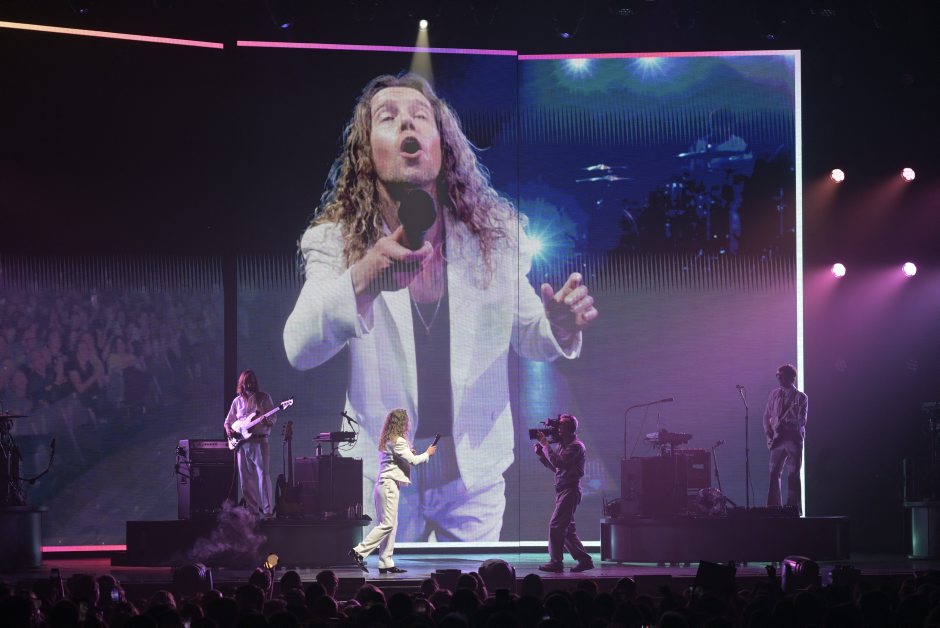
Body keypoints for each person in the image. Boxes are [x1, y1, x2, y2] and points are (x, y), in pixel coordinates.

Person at [283, 72, 598, 541]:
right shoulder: (335, 240)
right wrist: (365, 277)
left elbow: (532, 335)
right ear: (367, 152)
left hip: (473, 474)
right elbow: (299, 347)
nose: (407, 125)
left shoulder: (494, 236)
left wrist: (560, 326)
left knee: (479, 588)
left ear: (443, 146)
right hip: (382, 473)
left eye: (420, 117)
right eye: (388, 118)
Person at [349, 408, 436, 573]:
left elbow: (398, 459)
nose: (408, 425)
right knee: (387, 524)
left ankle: (386, 562)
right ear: (402, 423)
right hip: (388, 486)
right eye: (407, 422)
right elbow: (414, 461)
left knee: (391, 524)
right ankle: (358, 551)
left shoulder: (389, 440)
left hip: (385, 485)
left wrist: (409, 453)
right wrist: (428, 453)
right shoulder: (399, 441)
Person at [534, 414, 594, 573]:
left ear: (569, 428)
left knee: (556, 526)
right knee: (567, 531)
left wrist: (545, 445)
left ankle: (556, 562)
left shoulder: (575, 446)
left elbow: (559, 462)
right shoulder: (563, 445)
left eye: (561, 426)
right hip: (563, 491)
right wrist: (542, 455)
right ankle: (585, 560)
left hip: (570, 490)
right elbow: (557, 468)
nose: (557, 429)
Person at [224, 369, 276, 518]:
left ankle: (268, 512)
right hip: (242, 444)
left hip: (259, 441)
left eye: (252, 381)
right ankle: (253, 512)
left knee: (263, 476)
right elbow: (227, 422)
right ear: (242, 383)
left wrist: (267, 421)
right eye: (247, 381)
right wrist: (229, 431)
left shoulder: (263, 398)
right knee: (246, 480)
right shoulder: (237, 401)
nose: (250, 384)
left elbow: (273, 418)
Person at [763, 363, 808, 514]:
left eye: (781, 376)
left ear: (791, 377)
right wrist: (768, 432)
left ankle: (793, 510)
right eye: (777, 375)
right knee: (773, 474)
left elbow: (802, 421)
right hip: (777, 440)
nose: (778, 378)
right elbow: (766, 415)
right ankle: (773, 509)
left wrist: (787, 425)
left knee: (793, 475)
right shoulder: (774, 394)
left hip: (793, 441)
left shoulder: (801, 397)